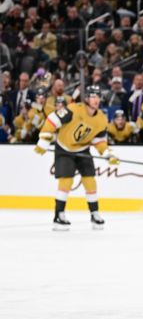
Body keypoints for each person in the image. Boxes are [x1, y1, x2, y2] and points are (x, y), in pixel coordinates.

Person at [33, 85, 119, 230]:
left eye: (97, 96)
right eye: (92, 96)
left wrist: (107, 153)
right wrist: (44, 140)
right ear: (86, 98)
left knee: (90, 180)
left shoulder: (102, 119)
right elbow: (52, 120)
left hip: (82, 149)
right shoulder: (73, 109)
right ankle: (59, 215)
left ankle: (95, 213)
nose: (95, 99)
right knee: (66, 182)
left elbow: (99, 141)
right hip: (64, 148)